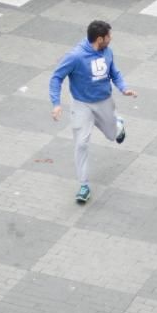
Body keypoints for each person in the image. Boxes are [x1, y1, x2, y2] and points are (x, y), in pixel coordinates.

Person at [49, 20, 137, 202]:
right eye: (108, 36)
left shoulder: (108, 52)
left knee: (113, 135)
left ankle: (118, 125)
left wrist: (123, 88)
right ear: (99, 39)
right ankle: (83, 186)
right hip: (81, 105)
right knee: (81, 143)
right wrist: (56, 103)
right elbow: (56, 77)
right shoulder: (75, 56)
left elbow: (114, 73)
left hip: (104, 101)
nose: (110, 38)